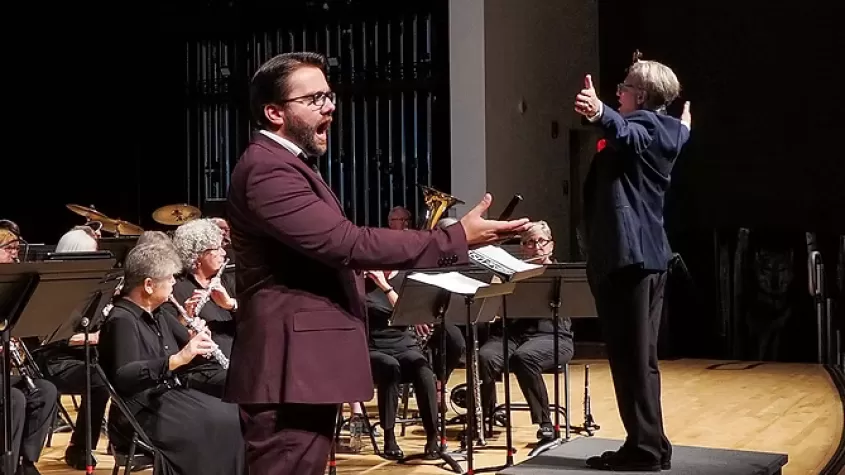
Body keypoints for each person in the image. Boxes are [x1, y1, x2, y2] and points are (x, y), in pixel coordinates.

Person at [225, 51, 528, 475]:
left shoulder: (285, 165)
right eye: (314, 99)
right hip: (288, 366)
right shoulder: (267, 170)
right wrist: (455, 237)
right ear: (274, 112)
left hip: (302, 366)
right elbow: (345, 242)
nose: (329, 107)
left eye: (329, 96)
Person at [574, 58, 691, 471]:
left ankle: (643, 449)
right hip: (650, 258)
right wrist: (683, 126)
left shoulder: (643, 128)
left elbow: (626, 133)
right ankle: (653, 443)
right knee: (643, 360)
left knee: (630, 360)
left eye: (623, 87)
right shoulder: (670, 130)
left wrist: (600, 111)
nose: (618, 91)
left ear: (640, 96)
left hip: (629, 260)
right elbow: (667, 133)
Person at [98, 243, 245, 475]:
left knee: (233, 413)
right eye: (169, 278)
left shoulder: (158, 313)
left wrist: (196, 340)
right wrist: (177, 359)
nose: (175, 283)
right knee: (217, 422)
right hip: (140, 411)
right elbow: (124, 376)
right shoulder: (122, 320)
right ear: (148, 285)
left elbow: (187, 348)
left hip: (165, 397)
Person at [478, 221, 574, 442]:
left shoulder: (562, 275)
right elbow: (495, 310)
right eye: (530, 243)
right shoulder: (512, 274)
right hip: (513, 335)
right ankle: (484, 418)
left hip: (552, 335)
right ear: (522, 248)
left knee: (525, 357)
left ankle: (545, 423)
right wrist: (497, 287)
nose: (537, 247)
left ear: (551, 246)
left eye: (541, 241)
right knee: (486, 356)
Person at [33, 227, 110, 469]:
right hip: (53, 360)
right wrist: (95, 337)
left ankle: (125, 439)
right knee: (98, 381)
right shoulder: (53, 287)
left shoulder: (93, 286)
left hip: (83, 356)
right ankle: (80, 447)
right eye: (91, 254)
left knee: (124, 366)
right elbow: (50, 338)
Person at [364, 270, 440, 459]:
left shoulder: (406, 279)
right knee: (389, 367)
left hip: (404, 345)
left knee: (423, 370)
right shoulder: (361, 283)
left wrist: (385, 287)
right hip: (373, 347)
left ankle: (433, 436)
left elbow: (407, 315)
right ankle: (389, 437)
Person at [159, 218, 235, 397]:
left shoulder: (227, 281)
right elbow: (164, 337)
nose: (224, 252)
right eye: (217, 248)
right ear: (198, 255)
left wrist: (230, 304)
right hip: (202, 369)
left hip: (239, 359)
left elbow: (254, 320)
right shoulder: (175, 288)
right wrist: (184, 320)